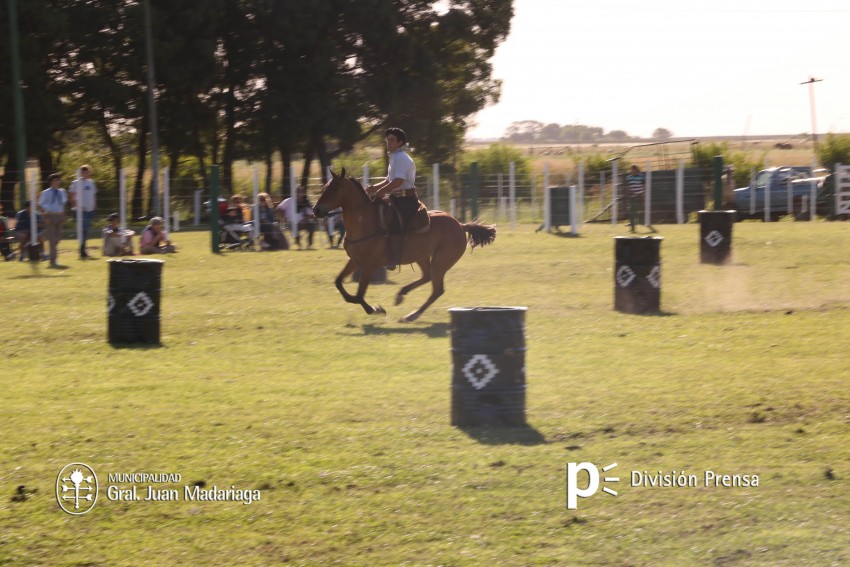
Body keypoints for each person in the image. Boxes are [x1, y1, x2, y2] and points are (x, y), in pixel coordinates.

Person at [366, 127, 430, 266]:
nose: (388, 142)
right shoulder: (394, 157)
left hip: (407, 200)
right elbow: (389, 180)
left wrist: (380, 192)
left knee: (394, 224)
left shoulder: (401, 158)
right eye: (387, 140)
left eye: (392, 140)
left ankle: (394, 257)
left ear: (400, 142)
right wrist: (374, 188)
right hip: (396, 198)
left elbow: (399, 181)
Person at [38, 173, 68, 267]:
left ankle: (51, 256)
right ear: (50, 182)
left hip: (59, 215)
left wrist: (63, 215)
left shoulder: (62, 192)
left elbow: (62, 204)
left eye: (57, 180)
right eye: (54, 181)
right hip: (50, 215)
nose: (56, 182)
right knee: (52, 239)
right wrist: (45, 216)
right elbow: (40, 204)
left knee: (57, 238)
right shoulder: (46, 192)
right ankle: (53, 261)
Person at [68, 164, 97, 258]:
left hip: (90, 210)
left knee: (86, 230)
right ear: (80, 173)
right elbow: (72, 195)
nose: (85, 173)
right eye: (83, 172)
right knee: (83, 230)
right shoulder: (76, 183)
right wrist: (77, 206)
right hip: (81, 211)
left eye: (87, 172)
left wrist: (94, 205)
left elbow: (93, 195)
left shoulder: (91, 182)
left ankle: (83, 248)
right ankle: (82, 250)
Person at [625, 164, 646, 233]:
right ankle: (631, 222)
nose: (632, 171)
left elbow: (644, 185)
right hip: (632, 194)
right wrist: (629, 194)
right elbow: (628, 187)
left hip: (640, 193)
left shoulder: (641, 176)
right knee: (631, 209)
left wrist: (643, 193)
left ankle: (641, 220)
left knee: (641, 207)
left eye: (633, 169)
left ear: (636, 170)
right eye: (631, 170)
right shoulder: (629, 177)